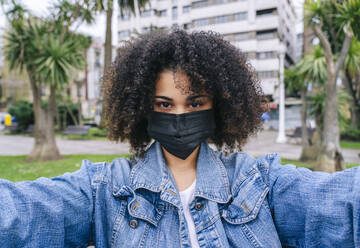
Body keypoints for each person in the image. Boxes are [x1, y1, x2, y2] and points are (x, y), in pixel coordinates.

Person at [0, 28, 359, 248]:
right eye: (163, 104)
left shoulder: (260, 182)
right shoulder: (105, 189)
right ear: (142, 109)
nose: (180, 116)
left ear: (218, 106)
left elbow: (341, 204)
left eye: (195, 102)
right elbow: (24, 212)